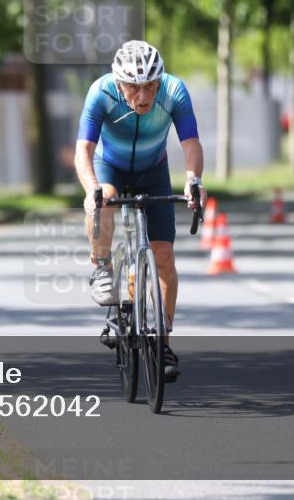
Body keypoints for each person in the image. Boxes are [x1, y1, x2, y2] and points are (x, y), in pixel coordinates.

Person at [74, 40, 205, 382]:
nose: (143, 96)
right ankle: (102, 266)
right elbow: (84, 149)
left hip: (153, 170)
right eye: (133, 87)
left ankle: (162, 344)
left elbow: (191, 142)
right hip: (110, 166)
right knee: (105, 198)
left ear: (160, 81)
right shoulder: (101, 92)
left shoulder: (174, 91)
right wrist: (91, 188)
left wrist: (194, 180)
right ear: (119, 83)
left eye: (150, 85)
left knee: (164, 257)